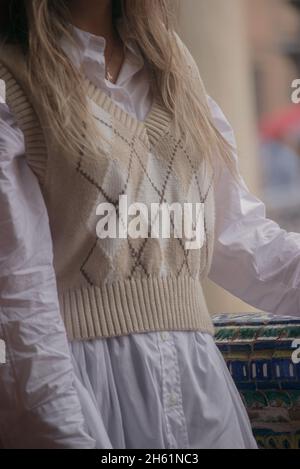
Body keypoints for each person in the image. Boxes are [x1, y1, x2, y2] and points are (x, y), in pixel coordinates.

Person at [0, 0, 299, 450]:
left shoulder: (174, 68)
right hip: (82, 390)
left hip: (200, 388)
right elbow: (19, 295)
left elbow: (238, 239)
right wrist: (62, 431)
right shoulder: (13, 80)